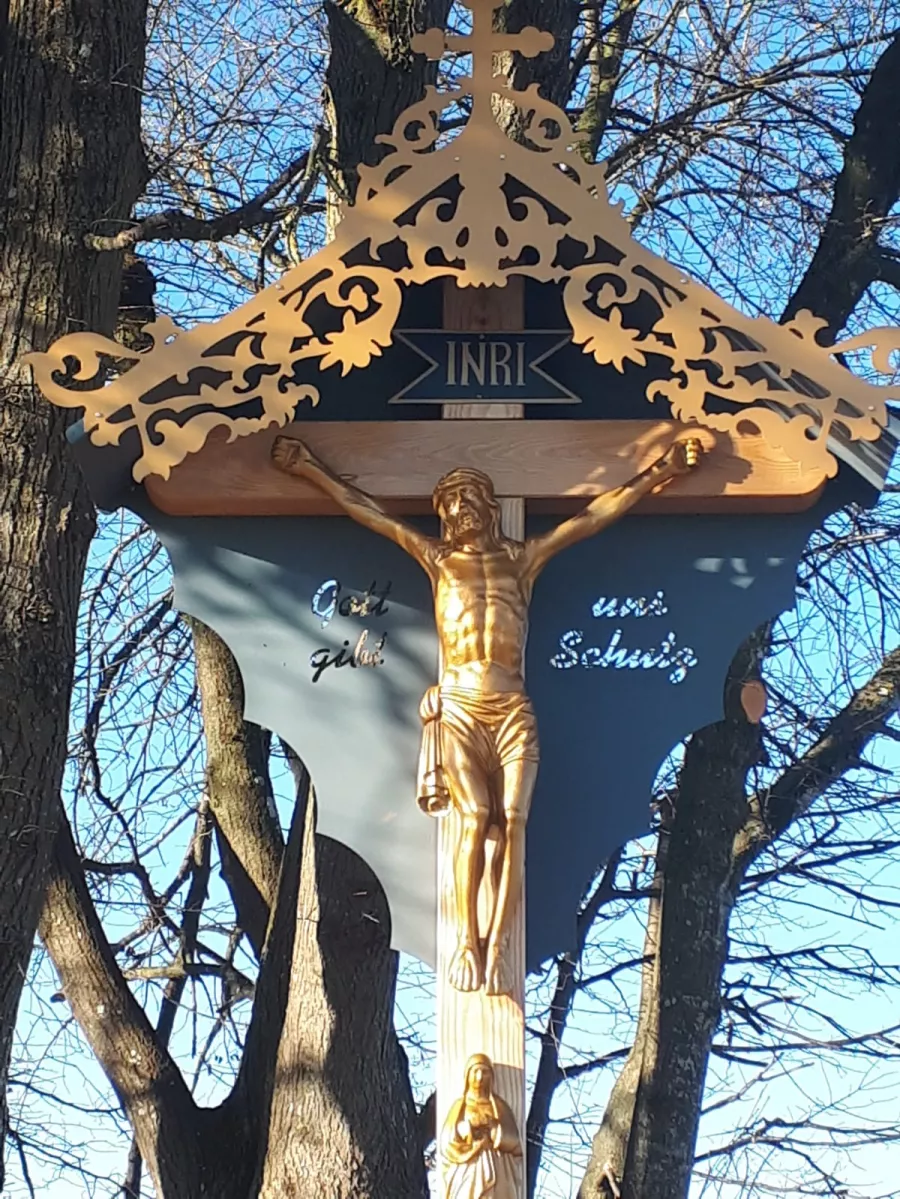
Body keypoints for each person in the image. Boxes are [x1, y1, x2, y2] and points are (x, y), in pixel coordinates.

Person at [272, 432, 702, 993]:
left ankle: (498, 946)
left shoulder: (521, 559)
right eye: (447, 504)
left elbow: (593, 516)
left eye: (467, 498)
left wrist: (662, 469)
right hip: (460, 708)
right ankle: (466, 944)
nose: (457, 510)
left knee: (514, 825)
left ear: (490, 508)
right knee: (474, 820)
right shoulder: (438, 559)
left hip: (511, 707)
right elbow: (369, 514)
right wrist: (310, 467)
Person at [441, 1053, 522, 1199]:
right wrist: (463, 1130)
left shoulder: (499, 1106)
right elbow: (446, 1142)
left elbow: (515, 1143)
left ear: (491, 1077)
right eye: (475, 1071)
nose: (479, 1077)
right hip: (468, 1168)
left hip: (497, 1169)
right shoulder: (460, 1106)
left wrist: (495, 1131)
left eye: (484, 1072)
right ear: (467, 1076)